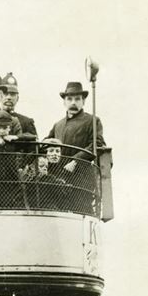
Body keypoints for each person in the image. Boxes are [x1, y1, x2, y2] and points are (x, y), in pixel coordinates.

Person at [46, 81, 104, 215]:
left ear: (83, 101)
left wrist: (75, 160)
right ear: (64, 102)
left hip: (81, 177)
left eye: (77, 99)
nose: (73, 102)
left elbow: (97, 144)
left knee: (81, 213)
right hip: (58, 177)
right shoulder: (58, 125)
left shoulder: (92, 121)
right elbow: (46, 143)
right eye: (69, 99)